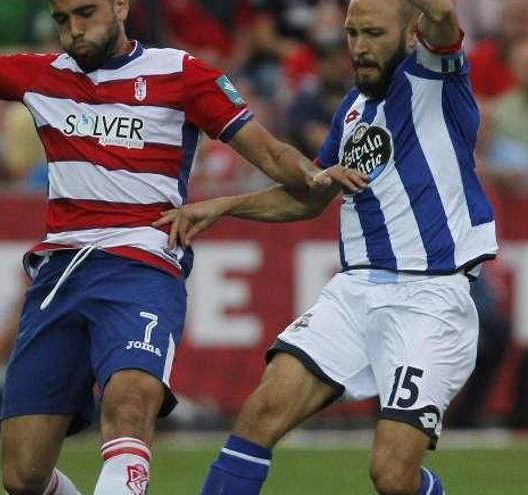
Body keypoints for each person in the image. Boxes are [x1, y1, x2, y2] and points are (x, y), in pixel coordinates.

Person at [0, 1, 363, 494]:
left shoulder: (181, 74)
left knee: (128, 401)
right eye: (62, 19)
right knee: (22, 474)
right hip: (60, 274)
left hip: (143, 261)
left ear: (120, 6)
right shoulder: (39, 75)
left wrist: (310, 176)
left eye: (85, 14)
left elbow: (269, 151)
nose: (73, 30)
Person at [156, 0, 498, 493]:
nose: (359, 47)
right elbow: (311, 198)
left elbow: (443, 14)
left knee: (391, 475)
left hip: (430, 302)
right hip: (354, 294)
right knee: (261, 411)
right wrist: (222, 205)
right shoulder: (353, 111)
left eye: (374, 34)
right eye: (352, 33)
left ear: (410, 35)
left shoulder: (437, 79)